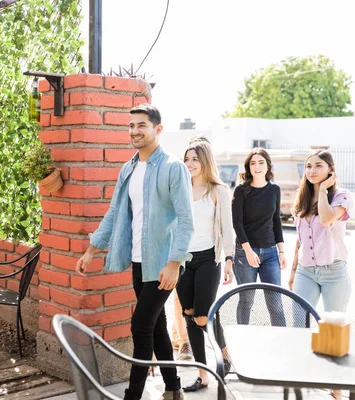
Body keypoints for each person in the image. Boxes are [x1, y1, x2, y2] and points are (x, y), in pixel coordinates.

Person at [76, 103, 194, 400]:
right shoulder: (128, 168)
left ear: (158, 129)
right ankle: (173, 388)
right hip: (139, 262)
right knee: (156, 328)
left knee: (140, 327)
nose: (134, 131)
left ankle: (133, 396)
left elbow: (185, 220)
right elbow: (115, 213)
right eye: (131, 126)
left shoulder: (172, 167)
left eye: (141, 125)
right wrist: (91, 250)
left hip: (163, 264)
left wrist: (174, 263)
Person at [289, 150, 352, 400]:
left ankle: (335, 385)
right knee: (299, 323)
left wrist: (325, 190)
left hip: (334, 272)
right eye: (308, 166)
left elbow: (326, 219)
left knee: (332, 330)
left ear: (330, 169)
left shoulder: (341, 196)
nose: (312, 170)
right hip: (306, 271)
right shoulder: (302, 199)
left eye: (318, 166)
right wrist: (293, 271)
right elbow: (300, 240)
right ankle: (302, 376)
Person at [177, 139, 235, 392]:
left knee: (203, 316)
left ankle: (224, 354)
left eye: (194, 159)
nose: (189, 164)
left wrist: (230, 259)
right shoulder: (179, 188)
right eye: (187, 159)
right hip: (182, 260)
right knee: (189, 315)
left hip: (208, 259)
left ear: (205, 161)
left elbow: (227, 228)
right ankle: (203, 375)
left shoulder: (218, 191)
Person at [231, 148, 287, 325]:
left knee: (276, 303)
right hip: (245, 252)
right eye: (253, 163)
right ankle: (240, 341)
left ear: (268, 165)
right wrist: (248, 251)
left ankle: (284, 342)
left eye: (261, 162)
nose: (257, 167)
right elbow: (237, 224)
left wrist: (282, 251)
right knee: (246, 301)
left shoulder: (274, 190)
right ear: (248, 167)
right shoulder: (241, 191)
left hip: (270, 252)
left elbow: (276, 221)